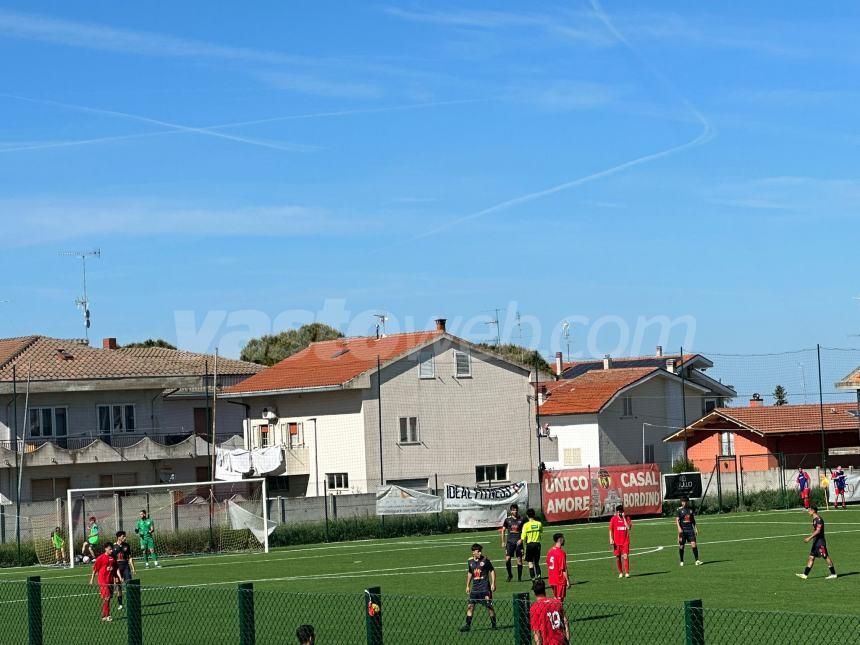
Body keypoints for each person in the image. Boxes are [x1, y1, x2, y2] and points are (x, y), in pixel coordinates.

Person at [460, 543, 497, 632]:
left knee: (489, 607)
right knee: (470, 606)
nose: (480, 553)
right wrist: (467, 585)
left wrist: (493, 583)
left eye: (480, 551)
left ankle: (494, 625)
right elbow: (470, 573)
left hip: (485, 589)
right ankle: (467, 625)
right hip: (475, 589)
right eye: (478, 551)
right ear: (473, 552)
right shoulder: (470, 562)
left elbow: (492, 571)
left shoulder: (485, 560)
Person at [796, 505, 837, 580]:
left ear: (813, 511)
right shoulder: (814, 519)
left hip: (820, 543)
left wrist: (809, 538)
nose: (808, 511)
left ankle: (833, 573)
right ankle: (805, 574)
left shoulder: (819, 520)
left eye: (809, 510)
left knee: (825, 556)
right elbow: (814, 530)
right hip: (815, 542)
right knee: (811, 557)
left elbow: (818, 531)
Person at [529, 578, 570, 645]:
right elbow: (565, 621)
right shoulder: (556, 602)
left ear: (534, 593)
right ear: (544, 590)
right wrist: (567, 640)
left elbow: (537, 632)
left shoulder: (535, 607)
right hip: (561, 641)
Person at [89, 543, 116, 622]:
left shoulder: (112, 558)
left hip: (110, 580)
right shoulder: (100, 558)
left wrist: (115, 579)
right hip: (102, 580)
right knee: (107, 597)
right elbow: (95, 569)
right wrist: (91, 579)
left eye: (112, 549)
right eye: (110, 549)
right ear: (105, 549)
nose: (111, 550)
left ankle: (103, 615)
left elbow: (113, 570)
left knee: (107, 599)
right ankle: (108, 615)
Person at [111, 531, 135, 610]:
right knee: (118, 586)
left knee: (129, 584)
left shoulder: (127, 545)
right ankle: (120, 604)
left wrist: (133, 568)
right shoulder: (113, 546)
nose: (125, 537)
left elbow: (130, 558)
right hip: (117, 567)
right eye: (123, 536)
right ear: (118, 537)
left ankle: (131, 602)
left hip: (125, 567)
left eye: (125, 536)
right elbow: (111, 559)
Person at [676, 496, 702, 566]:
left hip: (690, 530)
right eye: (683, 502)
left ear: (687, 502)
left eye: (685, 501)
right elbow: (677, 520)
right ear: (681, 502)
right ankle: (681, 560)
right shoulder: (679, 510)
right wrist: (679, 530)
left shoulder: (690, 510)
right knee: (681, 546)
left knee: (694, 544)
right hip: (683, 531)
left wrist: (696, 529)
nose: (684, 503)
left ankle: (697, 560)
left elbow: (693, 520)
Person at [503, 503, 525, 582]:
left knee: (519, 560)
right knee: (507, 559)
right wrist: (503, 541)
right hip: (509, 542)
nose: (515, 511)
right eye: (513, 510)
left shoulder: (521, 519)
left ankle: (519, 577)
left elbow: (524, 531)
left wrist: (522, 540)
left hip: (518, 542)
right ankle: (510, 575)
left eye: (516, 510)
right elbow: (503, 530)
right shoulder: (507, 520)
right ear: (511, 511)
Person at [546, 533, 571, 602]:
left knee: (555, 598)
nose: (564, 540)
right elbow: (563, 569)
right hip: (559, 580)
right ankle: (558, 612)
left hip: (552, 579)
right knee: (559, 601)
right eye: (563, 538)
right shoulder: (561, 552)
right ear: (560, 540)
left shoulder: (550, 551)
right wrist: (568, 581)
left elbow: (548, 563)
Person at [609, 505, 631, 578]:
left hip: (625, 541)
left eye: (621, 512)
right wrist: (611, 538)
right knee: (618, 557)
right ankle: (620, 572)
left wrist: (624, 518)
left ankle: (627, 572)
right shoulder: (613, 519)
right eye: (618, 512)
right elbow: (610, 529)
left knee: (625, 556)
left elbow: (628, 527)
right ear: (617, 512)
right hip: (616, 542)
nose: (620, 513)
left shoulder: (627, 518)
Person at [522, 508, 544, 580]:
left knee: (530, 563)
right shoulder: (539, 523)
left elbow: (523, 536)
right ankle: (539, 577)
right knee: (536, 563)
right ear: (534, 515)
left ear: (527, 516)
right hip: (537, 544)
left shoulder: (526, 525)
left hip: (530, 545)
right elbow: (541, 531)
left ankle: (533, 581)